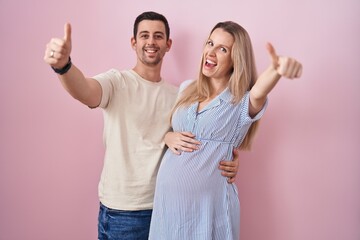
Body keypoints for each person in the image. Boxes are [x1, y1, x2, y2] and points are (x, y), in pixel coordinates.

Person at [43, 12, 240, 240]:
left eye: (158, 36)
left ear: (168, 45)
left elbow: (201, 140)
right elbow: (85, 91)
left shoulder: (181, 95)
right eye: (144, 35)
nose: (151, 42)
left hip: (165, 208)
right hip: (122, 211)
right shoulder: (117, 82)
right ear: (133, 42)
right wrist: (63, 67)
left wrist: (229, 158)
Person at [148, 21, 302, 239]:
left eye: (222, 49)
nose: (210, 52)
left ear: (235, 59)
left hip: (209, 210)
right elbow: (166, 128)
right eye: (210, 43)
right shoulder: (186, 89)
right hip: (168, 209)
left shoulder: (240, 102)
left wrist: (277, 70)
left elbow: (259, 92)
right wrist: (167, 136)